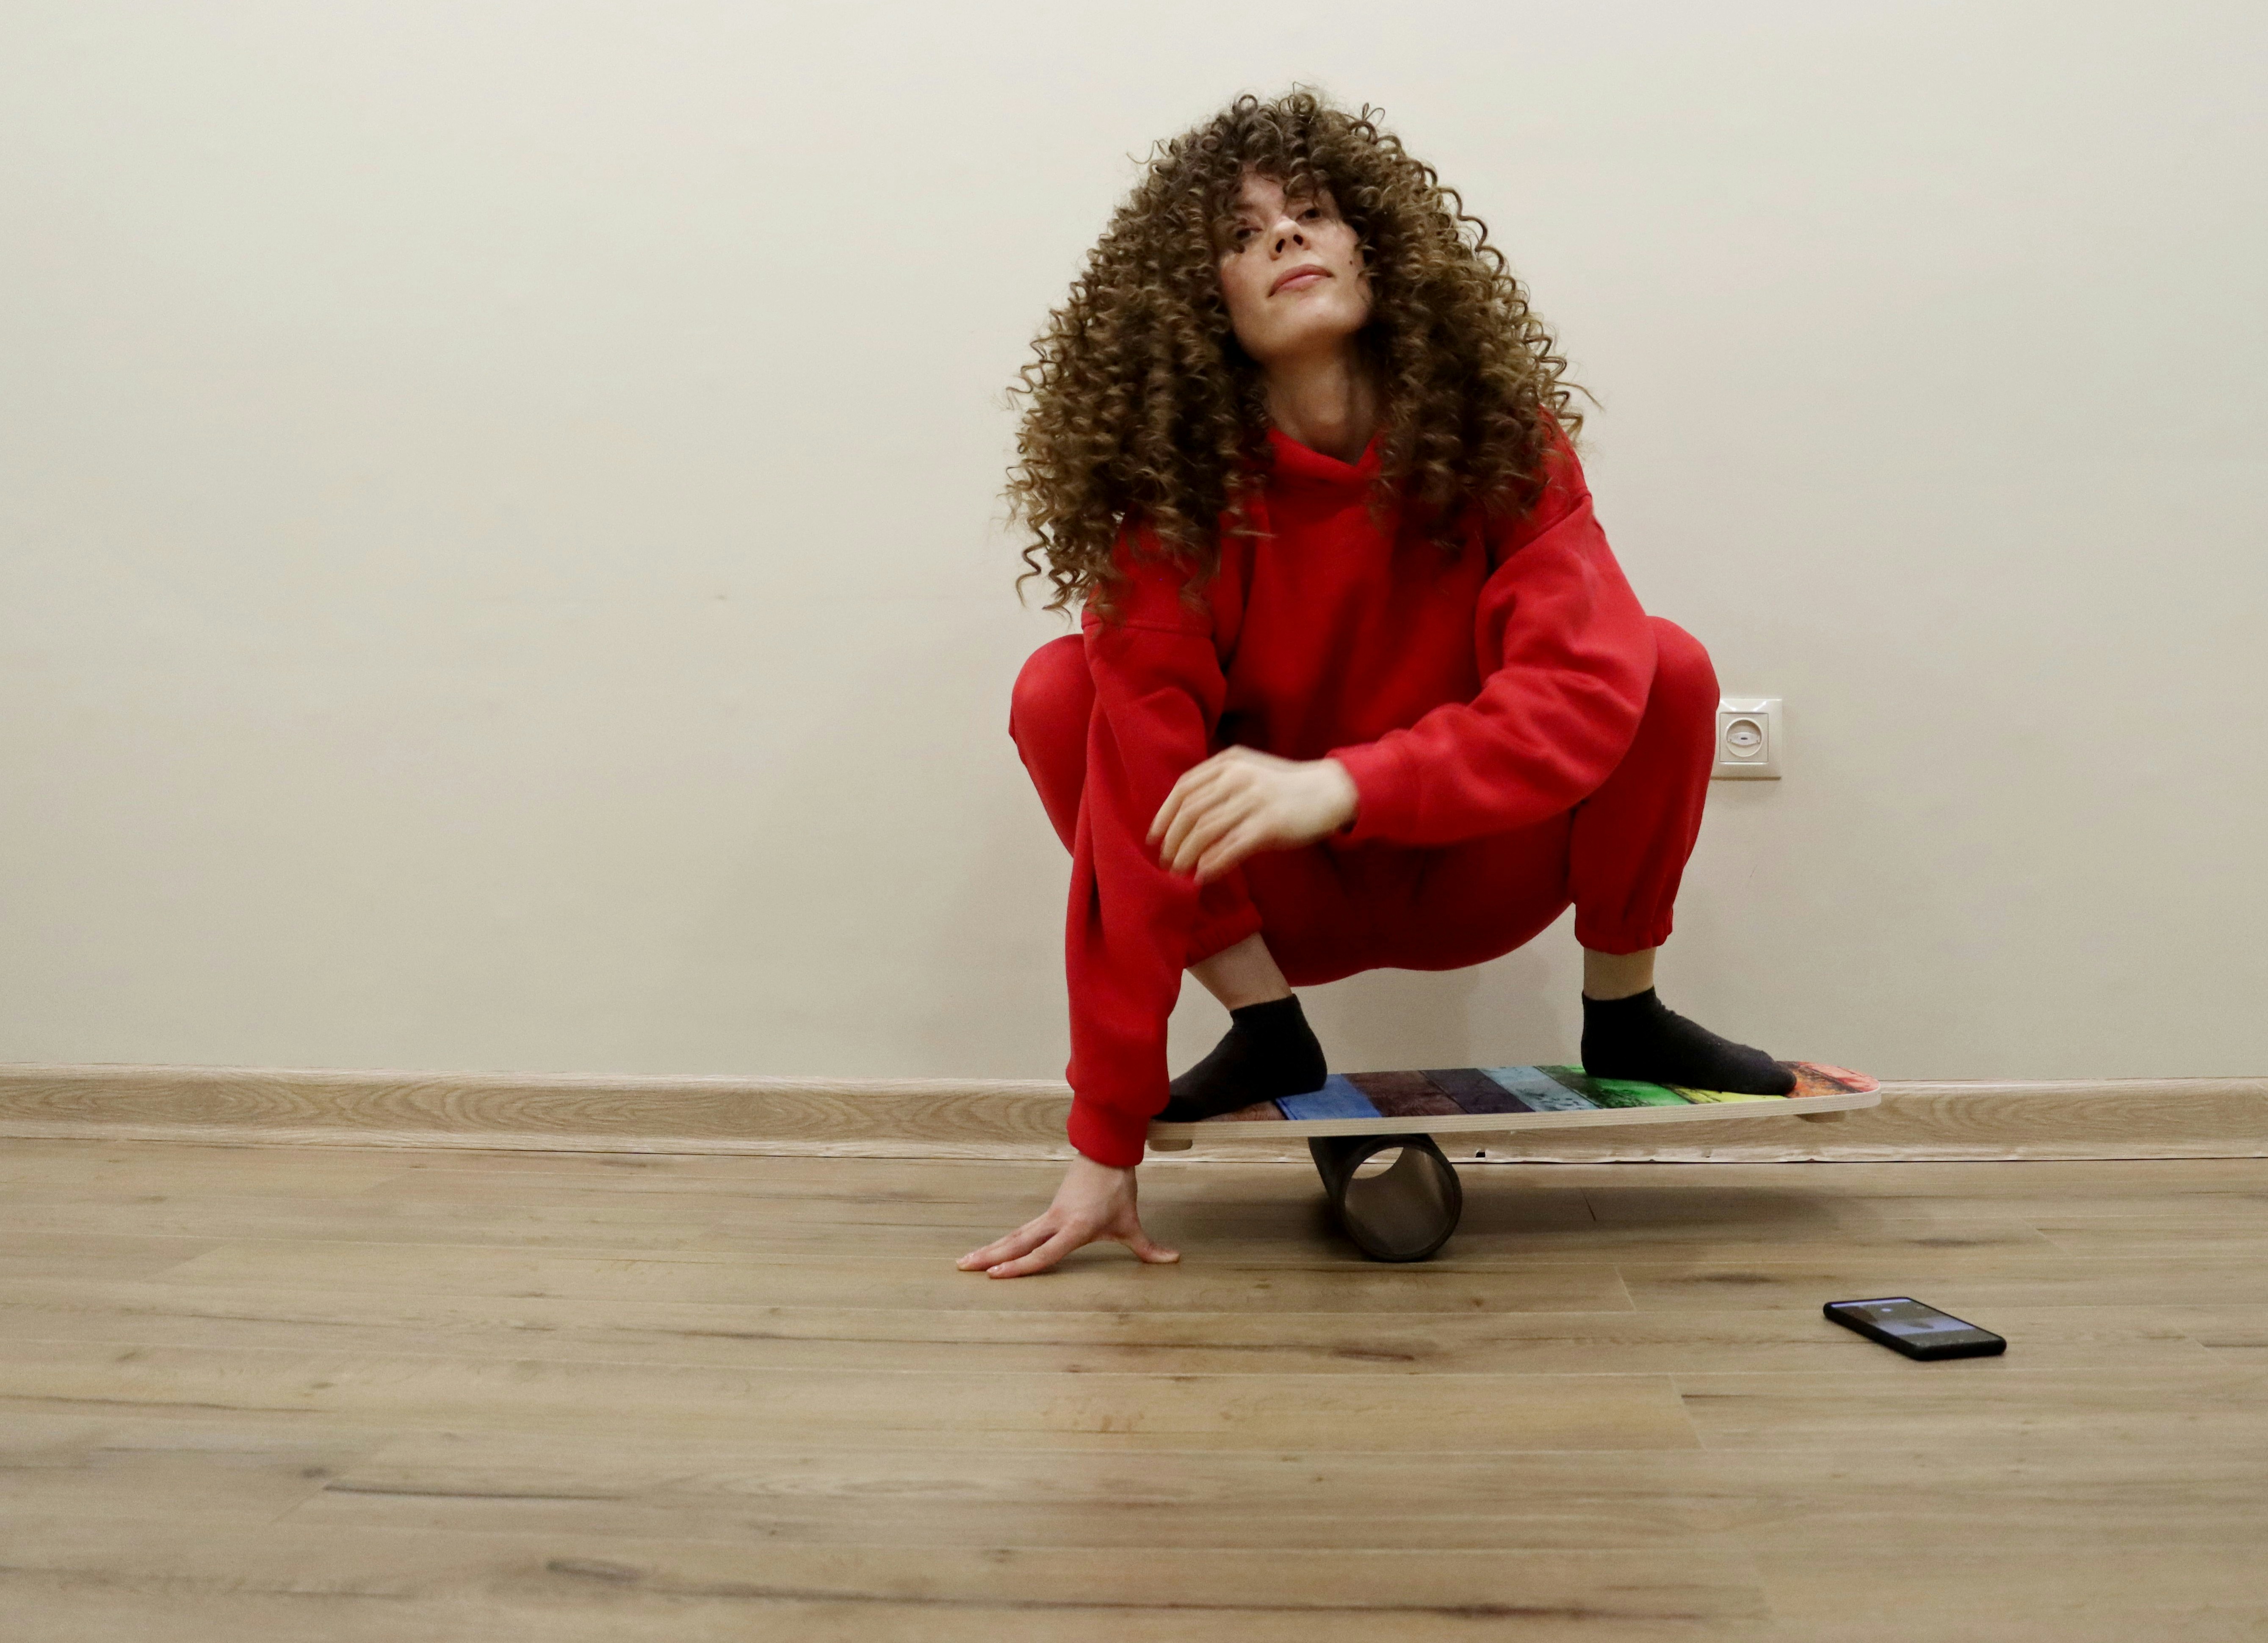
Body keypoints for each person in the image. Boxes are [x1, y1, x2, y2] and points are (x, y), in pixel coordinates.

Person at [959, 89, 1789, 1281]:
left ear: (1374, 246)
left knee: (1658, 663)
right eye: (1240, 237)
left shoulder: (1500, 439)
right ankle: (1267, 1031)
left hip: (1479, 861)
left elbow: (1580, 691)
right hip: (1284, 900)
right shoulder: (1173, 519)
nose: (1284, 240)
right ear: (1204, 308)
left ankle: (1625, 1013)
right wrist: (1106, 1137)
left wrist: (1344, 783)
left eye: (1307, 213)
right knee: (1061, 692)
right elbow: (1132, 830)